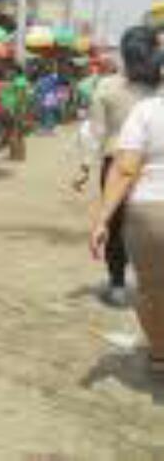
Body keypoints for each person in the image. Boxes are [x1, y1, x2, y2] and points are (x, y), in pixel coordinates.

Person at [91, 32, 164, 375]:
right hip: (136, 178)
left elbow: (106, 142)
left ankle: (159, 353)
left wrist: (101, 219)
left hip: (138, 188)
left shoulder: (112, 91)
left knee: (150, 285)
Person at [80, 27, 161, 307]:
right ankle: (149, 282)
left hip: (116, 163)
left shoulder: (106, 87)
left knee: (114, 224)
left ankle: (117, 283)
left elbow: (95, 133)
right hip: (154, 166)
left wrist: (84, 167)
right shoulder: (160, 88)